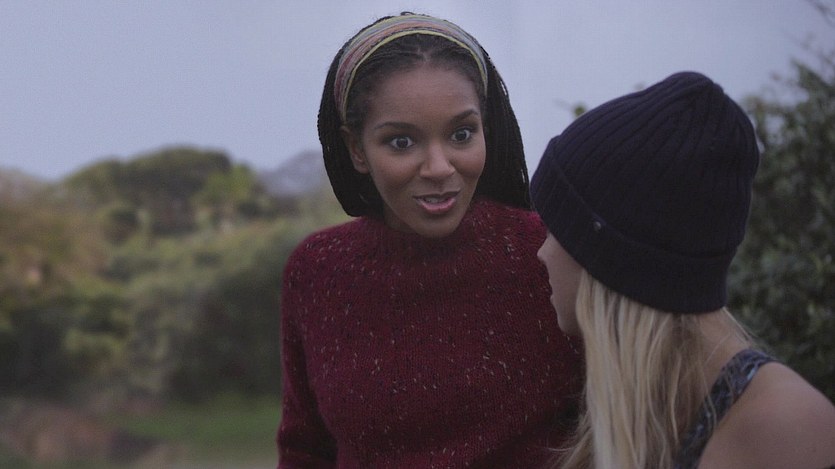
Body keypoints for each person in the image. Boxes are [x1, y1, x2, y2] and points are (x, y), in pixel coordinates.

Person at [277, 12, 583, 468]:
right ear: (357, 149)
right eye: (402, 142)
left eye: (462, 134)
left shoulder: (550, 254)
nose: (439, 168)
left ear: (486, 129)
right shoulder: (317, 271)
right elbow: (305, 450)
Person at [530, 71, 835, 469]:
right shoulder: (654, 412)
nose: (542, 252)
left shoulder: (786, 428)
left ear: (607, 258)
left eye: (554, 228)